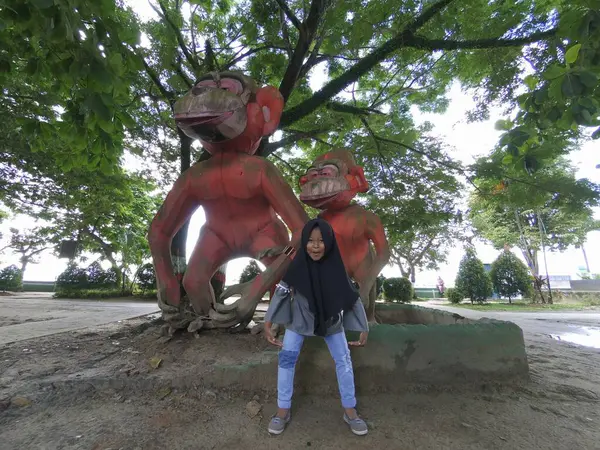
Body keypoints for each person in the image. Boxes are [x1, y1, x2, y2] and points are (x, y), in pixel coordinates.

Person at [263, 218, 370, 436]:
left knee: (344, 360)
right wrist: (269, 321)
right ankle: (283, 410)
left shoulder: (337, 267)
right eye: (311, 240)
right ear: (305, 242)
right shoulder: (297, 266)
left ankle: (350, 410)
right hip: (298, 323)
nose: (315, 245)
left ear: (328, 242)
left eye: (321, 240)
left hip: (331, 323)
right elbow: (282, 290)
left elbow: (350, 296)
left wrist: (363, 326)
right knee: (286, 360)